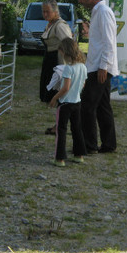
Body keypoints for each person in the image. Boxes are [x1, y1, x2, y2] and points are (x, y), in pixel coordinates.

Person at [77, 0, 118, 153]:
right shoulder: (99, 12)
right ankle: (108, 145)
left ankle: (89, 145)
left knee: (87, 106)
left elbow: (109, 42)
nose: (79, 1)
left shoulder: (103, 12)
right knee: (102, 107)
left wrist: (103, 67)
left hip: (100, 68)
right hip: (97, 66)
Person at [48, 38, 87, 167]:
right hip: (77, 102)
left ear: (64, 52)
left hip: (65, 104)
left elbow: (65, 88)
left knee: (61, 130)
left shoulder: (68, 69)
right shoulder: (82, 66)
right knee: (77, 129)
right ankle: (79, 155)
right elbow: (83, 84)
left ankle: (59, 158)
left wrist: (55, 97)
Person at [39, 0, 73, 135]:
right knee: (57, 95)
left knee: (61, 95)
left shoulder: (60, 26)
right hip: (51, 60)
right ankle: (59, 124)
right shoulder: (51, 24)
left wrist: (69, 66)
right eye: (43, 11)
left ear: (55, 11)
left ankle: (60, 125)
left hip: (59, 62)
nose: (45, 14)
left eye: (48, 11)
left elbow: (69, 45)